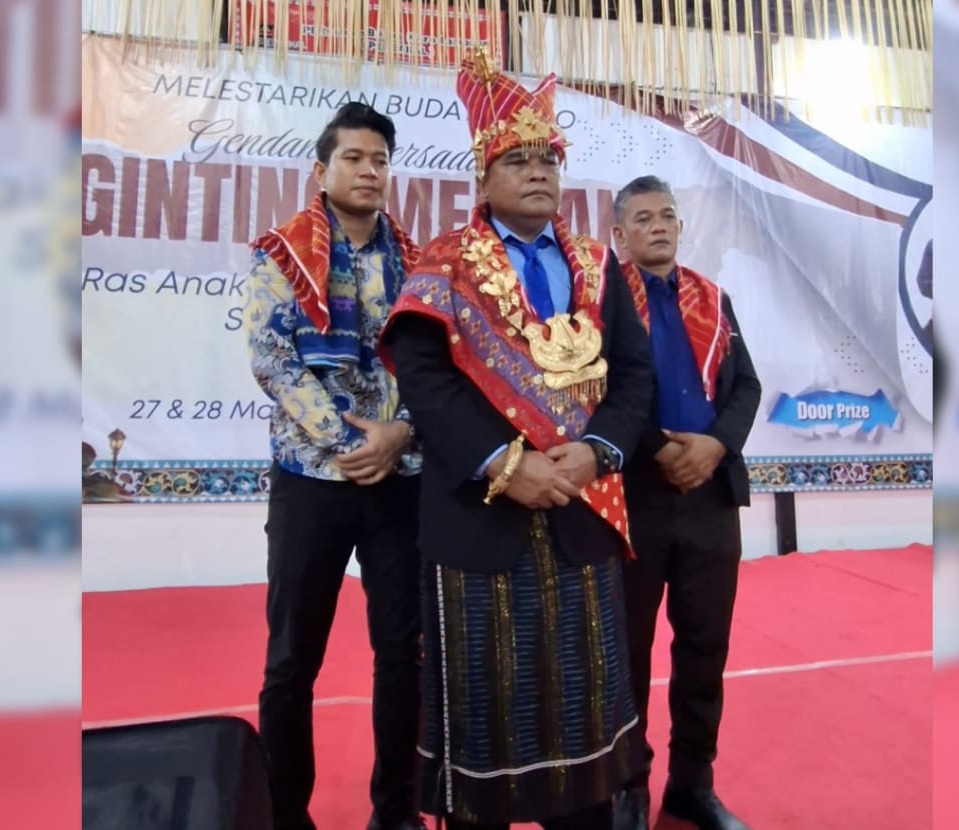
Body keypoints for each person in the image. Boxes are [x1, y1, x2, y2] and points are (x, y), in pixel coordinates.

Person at [378, 50, 656, 830]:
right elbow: (425, 381)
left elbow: (634, 376)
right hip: (479, 519)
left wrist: (596, 452)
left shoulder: (598, 266)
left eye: (548, 159)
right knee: (484, 720)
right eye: (517, 160)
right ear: (482, 175)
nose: (538, 172)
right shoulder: (443, 263)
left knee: (585, 713)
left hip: (581, 509)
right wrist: (504, 462)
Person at [244, 101, 425, 830]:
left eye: (380, 160)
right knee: (292, 660)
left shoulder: (418, 263)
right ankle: (286, 814)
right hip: (311, 480)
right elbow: (271, 359)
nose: (368, 171)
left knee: (405, 654)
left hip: (400, 480)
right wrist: (346, 441)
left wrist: (400, 433)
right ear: (321, 171)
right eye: (353, 158)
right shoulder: (280, 253)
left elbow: (433, 362)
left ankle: (397, 812)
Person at [608, 176, 761, 830]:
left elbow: (746, 387)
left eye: (667, 215)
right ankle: (627, 789)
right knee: (626, 651)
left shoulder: (713, 299)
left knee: (705, 647)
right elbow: (597, 392)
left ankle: (692, 786)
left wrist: (715, 446)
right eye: (643, 218)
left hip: (709, 496)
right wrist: (659, 451)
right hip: (633, 497)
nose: (659, 226)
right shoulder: (601, 301)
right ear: (619, 234)